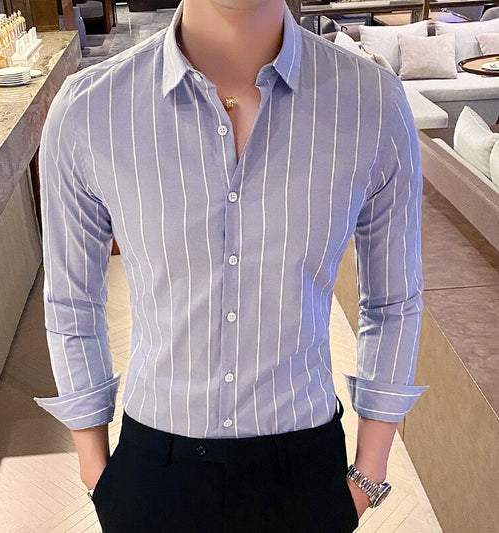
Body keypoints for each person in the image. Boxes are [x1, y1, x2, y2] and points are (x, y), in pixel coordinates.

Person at [32, 0, 429, 531]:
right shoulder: (90, 109)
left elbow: (394, 300)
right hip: (155, 468)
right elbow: (71, 300)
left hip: (304, 467)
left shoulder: (371, 103)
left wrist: (369, 472)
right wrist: (95, 468)